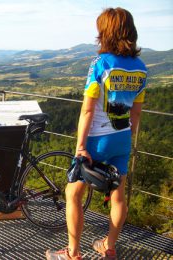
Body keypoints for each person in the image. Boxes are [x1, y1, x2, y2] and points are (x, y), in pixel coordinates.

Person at [46, 7, 147, 260]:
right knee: (118, 196)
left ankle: (72, 253)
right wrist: (127, 137)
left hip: (96, 141)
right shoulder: (141, 68)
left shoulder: (100, 64)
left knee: (73, 194)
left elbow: (87, 111)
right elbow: (136, 113)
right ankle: (109, 247)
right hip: (122, 138)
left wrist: (80, 146)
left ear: (107, 32)